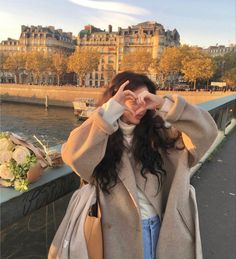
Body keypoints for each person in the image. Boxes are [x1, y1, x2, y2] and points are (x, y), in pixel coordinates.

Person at [61, 71, 218, 259]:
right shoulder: (100, 134)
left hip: (163, 228)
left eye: (145, 100)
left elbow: (207, 133)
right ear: (116, 100)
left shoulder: (162, 133)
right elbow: (72, 156)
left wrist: (163, 104)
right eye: (133, 100)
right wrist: (109, 112)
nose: (141, 106)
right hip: (117, 235)